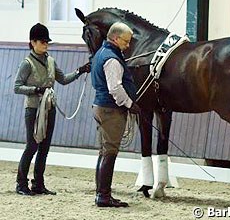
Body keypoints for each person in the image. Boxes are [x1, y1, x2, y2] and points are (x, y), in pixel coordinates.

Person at [14, 23, 91, 196]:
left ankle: (38, 183)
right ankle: (21, 183)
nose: (45, 44)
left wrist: (80, 71)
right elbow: (17, 87)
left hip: (49, 108)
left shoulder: (50, 61)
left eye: (46, 42)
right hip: (33, 109)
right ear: (33, 42)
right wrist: (35, 90)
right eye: (42, 41)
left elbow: (62, 79)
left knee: (45, 147)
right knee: (32, 145)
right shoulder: (26, 63)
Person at [91, 22, 141, 207]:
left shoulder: (101, 53)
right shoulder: (112, 59)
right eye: (126, 41)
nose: (128, 45)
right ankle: (104, 196)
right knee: (110, 153)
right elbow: (115, 88)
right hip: (110, 109)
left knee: (104, 152)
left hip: (101, 106)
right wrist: (130, 104)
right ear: (115, 38)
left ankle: (101, 193)